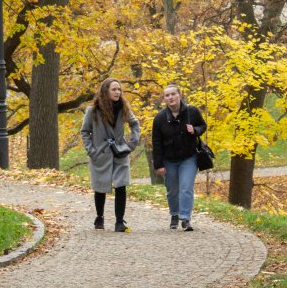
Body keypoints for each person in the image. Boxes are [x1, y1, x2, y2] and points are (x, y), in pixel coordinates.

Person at [81, 78, 140, 232]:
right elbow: (85, 132)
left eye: (119, 89)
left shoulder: (124, 108)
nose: (117, 92)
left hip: (120, 152)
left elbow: (135, 124)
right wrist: (92, 151)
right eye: (114, 89)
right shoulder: (93, 110)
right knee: (100, 186)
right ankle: (99, 217)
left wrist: (131, 144)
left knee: (121, 185)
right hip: (100, 153)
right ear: (105, 91)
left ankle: (119, 222)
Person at [152, 84, 207, 231]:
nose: (170, 97)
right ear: (164, 99)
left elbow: (203, 126)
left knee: (186, 188)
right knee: (172, 190)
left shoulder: (192, 111)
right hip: (169, 160)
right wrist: (158, 165)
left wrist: (195, 130)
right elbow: (156, 143)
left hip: (189, 157)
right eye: (167, 95)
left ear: (179, 95)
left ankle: (185, 218)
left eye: (173, 94)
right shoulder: (160, 118)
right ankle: (174, 214)